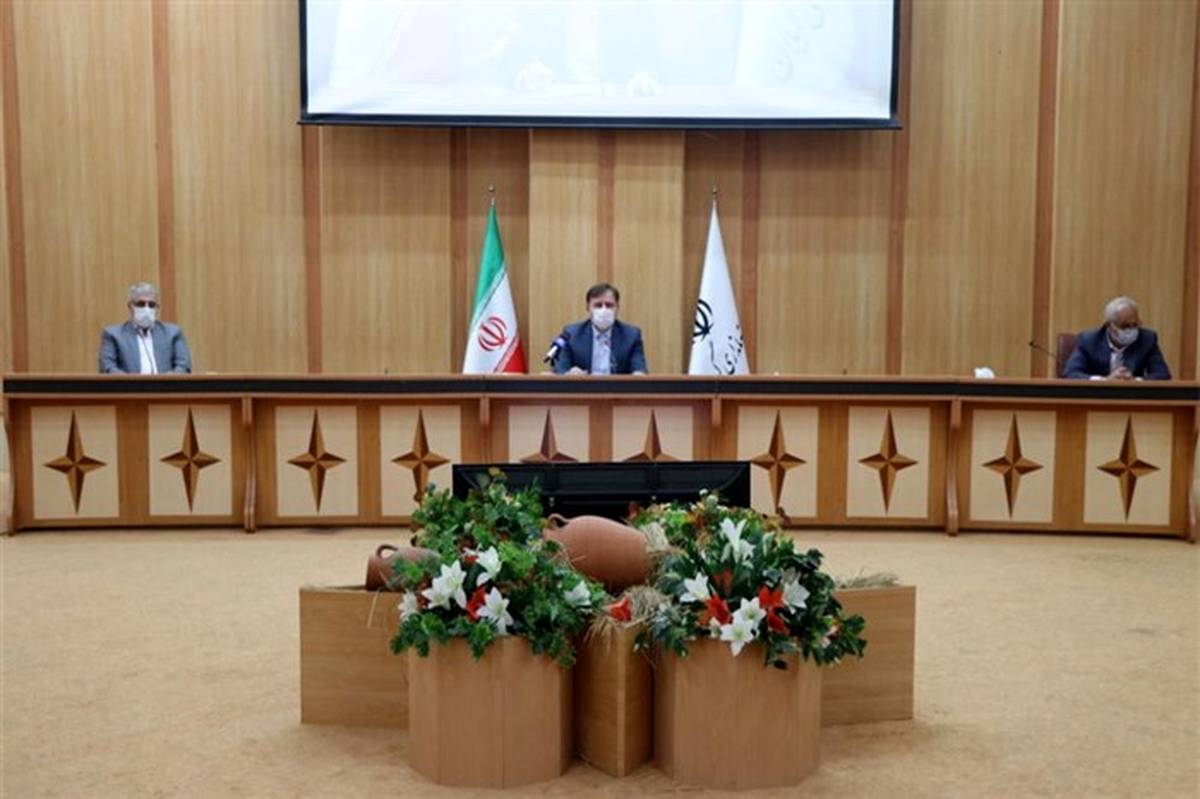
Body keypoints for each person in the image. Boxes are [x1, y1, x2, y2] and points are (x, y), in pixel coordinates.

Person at [1063, 296, 1170, 380]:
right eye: (1125, 326)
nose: (1131, 330)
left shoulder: (1147, 339)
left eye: (1135, 325)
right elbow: (1071, 373)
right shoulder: (1089, 340)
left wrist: (1135, 381)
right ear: (1109, 326)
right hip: (1097, 397)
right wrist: (1105, 380)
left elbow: (1162, 374)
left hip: (1132, 398)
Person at [553, 282, 648, 375]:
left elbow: (639, 369)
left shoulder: (631, 335)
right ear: (588, 307)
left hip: (617, 386)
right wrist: (570, 373)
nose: (604, 310)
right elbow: (560, 369)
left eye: (609, 305)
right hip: (584, 385)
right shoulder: (571, 334)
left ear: (617, 307)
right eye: (598, 305)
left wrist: (638, 373)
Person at [98, 282, 192, 374]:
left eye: (151, 305)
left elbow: (183, 366)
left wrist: (166, 380)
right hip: (128, 384)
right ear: (130, 306)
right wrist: (131, 382)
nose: (147, 309)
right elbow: (108, 367)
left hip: (166, 384)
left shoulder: (173, 333)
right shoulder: (113, 335)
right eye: (141, 304)